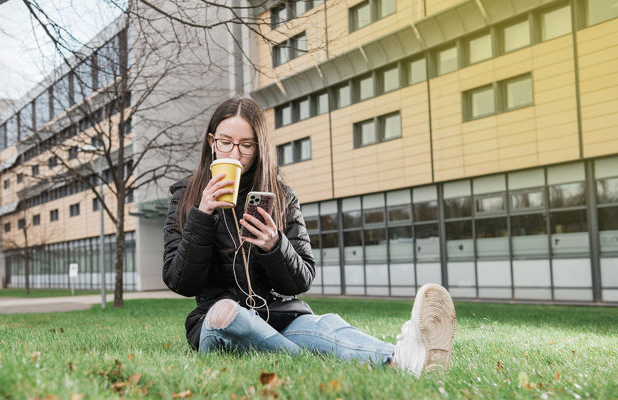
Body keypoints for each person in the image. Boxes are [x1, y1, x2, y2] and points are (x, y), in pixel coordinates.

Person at [163, 97, 456, 376]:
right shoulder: (185, 197)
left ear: (259, 148)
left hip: (278, 317)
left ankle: (402, 359)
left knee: (323, 326)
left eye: (246, 145)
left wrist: (274, 246)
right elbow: (180, 281)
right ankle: (304, 357)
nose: (234, 154)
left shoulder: (282, 197)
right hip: (217, 322)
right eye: (225, 142)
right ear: (211, 141)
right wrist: (201, 216)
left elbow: (302, 279)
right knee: (226, 313)